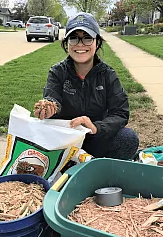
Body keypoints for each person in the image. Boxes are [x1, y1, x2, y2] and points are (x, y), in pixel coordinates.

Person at [34, 12, 139, 160]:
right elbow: (53, 98)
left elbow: (120, 113)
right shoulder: (57, 72)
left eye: (87, 38)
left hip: (96, 138)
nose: (80, 44)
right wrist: (49, 108)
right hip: (65, 140)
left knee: (128, 138)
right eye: (74, 38)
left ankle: (102, 170)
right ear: (67, 43)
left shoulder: (107, 74)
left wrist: (96, 127)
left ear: (97, 43)